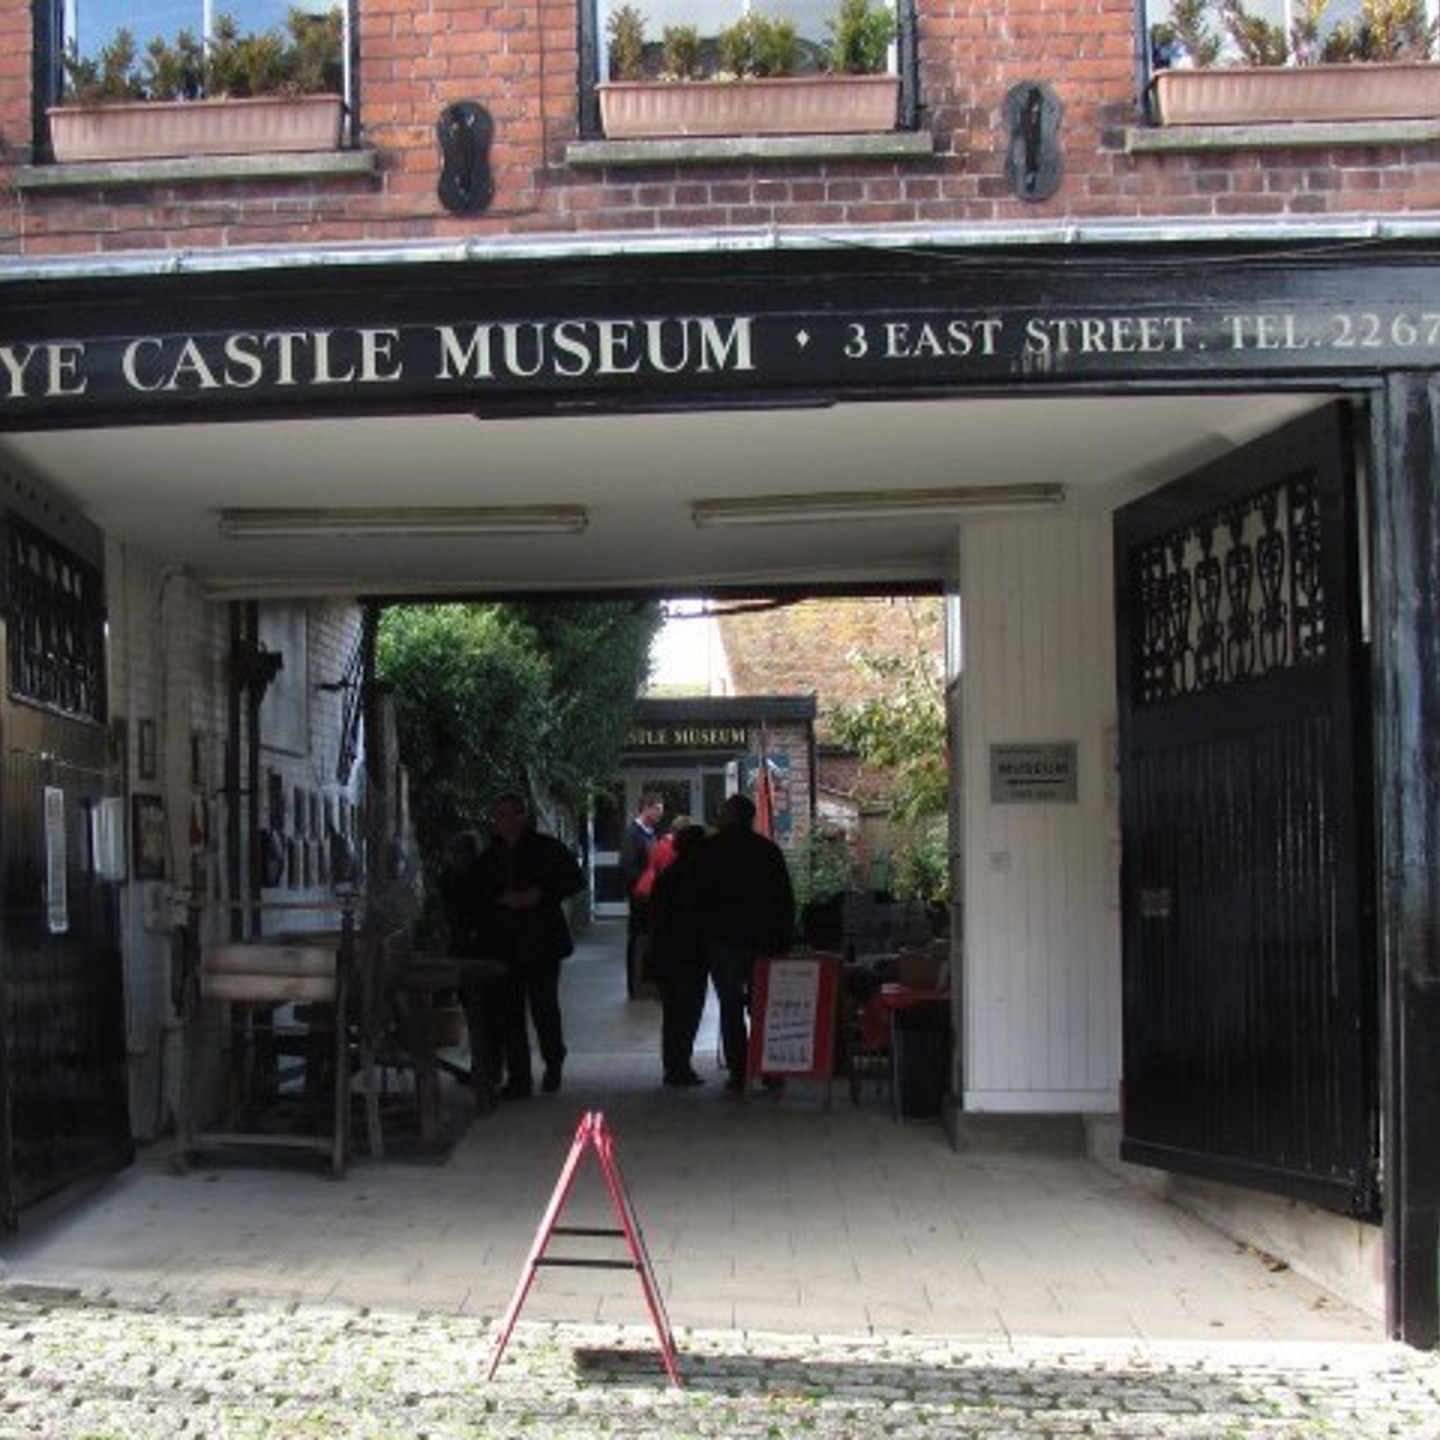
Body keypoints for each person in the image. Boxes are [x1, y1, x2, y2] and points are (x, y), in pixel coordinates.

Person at [473, 791, 584, 1099]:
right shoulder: (489, 857)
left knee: (544, 1006)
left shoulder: (546, 849)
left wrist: (541, 893)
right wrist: (500, 898)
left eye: (510, 815)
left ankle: (553, 1063)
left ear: (522, 816)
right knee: (509, 1012)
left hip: (541, 940)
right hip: (504, 943)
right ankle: (518, 1077)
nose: (504, 822)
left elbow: (574, 878)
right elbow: (476, 892)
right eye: (499, 816)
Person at [692, 793, 796, 1095]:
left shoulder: (708, 850)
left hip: (723, 941)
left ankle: (739, 1073)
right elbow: (783, 899)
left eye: (722, 811)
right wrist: (783, 939)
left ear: (731, 816)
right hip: (763, 940)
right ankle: (771, 1071)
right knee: (764, 1006)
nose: (718, 815)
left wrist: (704, 931)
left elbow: (695, 895)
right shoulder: (767, 851)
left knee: (731, 1006)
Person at [646, 819, 708, 1087]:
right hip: (689, 954)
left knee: (673, 1014)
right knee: (687, 1012)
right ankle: (680, 1067)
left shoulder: (668, 876)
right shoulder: (696, 878)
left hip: (666, 953)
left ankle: (674, 1066)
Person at [619, 792, 665, 999]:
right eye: (657, 809)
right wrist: (642, 887)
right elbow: (627, 867)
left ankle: (647, 983)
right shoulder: (633, 834)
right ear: (646, 808)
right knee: (637, 939)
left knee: (649, 939)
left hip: (650, 898)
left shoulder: (650, 832)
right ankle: (635, 986)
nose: (660, 814)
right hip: (640, 899)